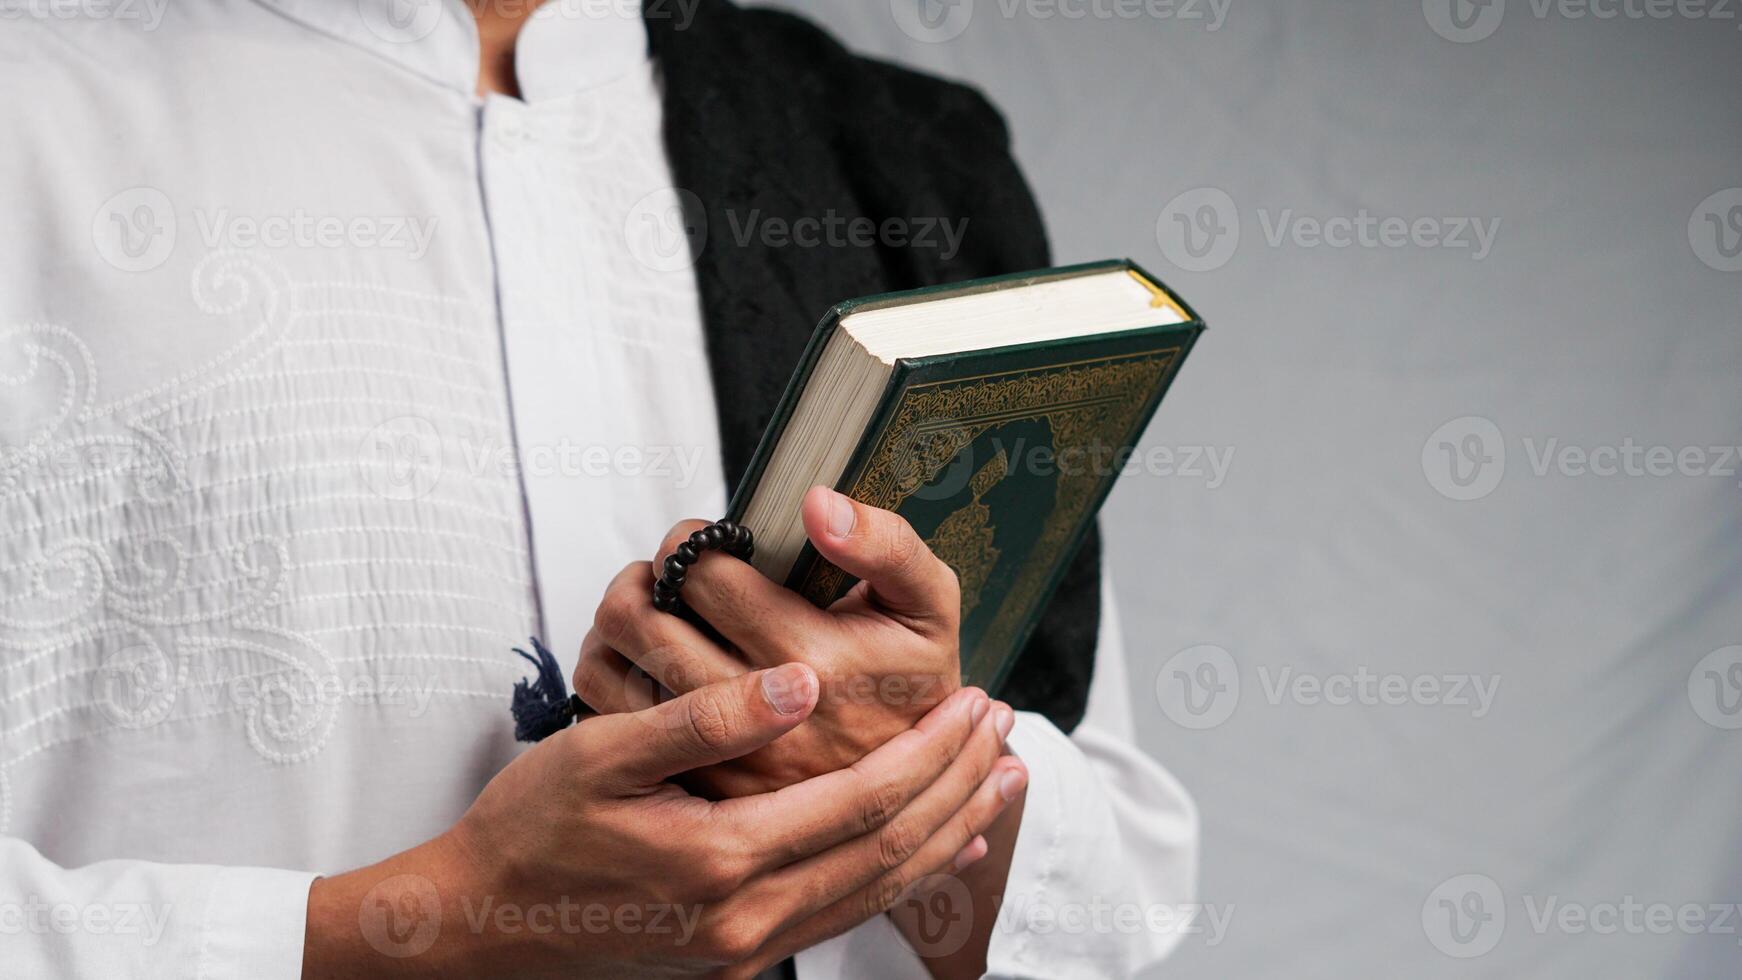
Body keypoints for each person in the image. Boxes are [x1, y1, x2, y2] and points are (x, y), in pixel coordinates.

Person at [0, 0, 1197, 976]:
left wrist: (898, 758)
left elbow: (1111, 899)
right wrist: (423, 926)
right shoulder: (31, 101)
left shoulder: (896, 159)